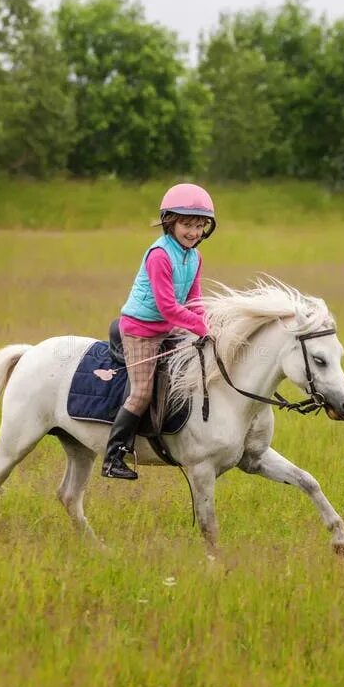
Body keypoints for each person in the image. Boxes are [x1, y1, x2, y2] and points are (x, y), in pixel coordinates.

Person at [101, 183, 216, 479]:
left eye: (200, 225)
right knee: (141, 393)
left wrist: (209, 324)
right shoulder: (159, 255)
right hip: (141, 330)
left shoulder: (194, 257)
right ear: (170, 222)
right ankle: (113, 457)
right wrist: (200, 326)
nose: (193, 232)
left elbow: (194, 300)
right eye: (187, 225)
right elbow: (167, 307)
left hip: (170, 328)